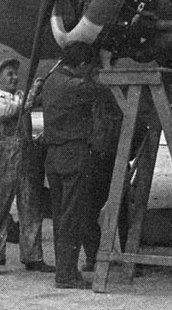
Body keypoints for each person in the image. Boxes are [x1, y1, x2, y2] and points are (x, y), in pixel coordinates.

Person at [39, 44, 104, 289]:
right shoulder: (75, 85)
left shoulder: (51, 81)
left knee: (61, 216)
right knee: (72, 216)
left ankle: (66, 271)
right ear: (83, 65)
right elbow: (100, 90)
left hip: (54, 156)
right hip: (73, 154)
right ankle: (66, 275)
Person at [0, 57, 54, 276]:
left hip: (27, 154)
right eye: (9, 75)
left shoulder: (22, 97)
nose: (14, 78)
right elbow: (11, 112)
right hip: (4, 156)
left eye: (15, 74)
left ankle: (33, 256)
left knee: (31, 209)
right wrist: (33, 93)